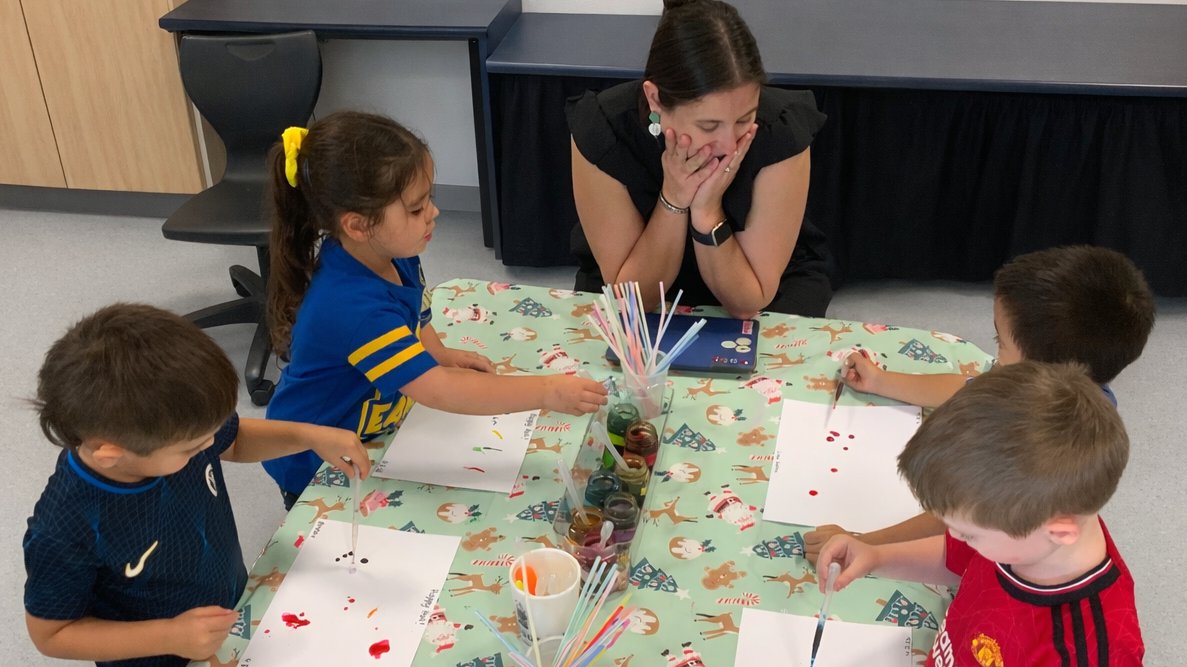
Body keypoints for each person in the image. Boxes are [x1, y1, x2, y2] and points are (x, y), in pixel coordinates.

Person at [265, 111, 607, 508]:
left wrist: (437, 353)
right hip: (317, 460)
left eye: (429, 198)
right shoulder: (353, 309)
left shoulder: (395, 251)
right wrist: (547, 391)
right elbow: (439, 390)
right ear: (358, 225)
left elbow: (417, 316)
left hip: (370, 432)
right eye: (415, 209)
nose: (433, 213)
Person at [23, 304, 370, 667]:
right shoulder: (64, 528)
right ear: (111, 453)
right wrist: (170, 635)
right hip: (159, 656)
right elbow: (52, 634)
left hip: (230, 610)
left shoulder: (170, 430)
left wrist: (308, 436)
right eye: (193, 447)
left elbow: (234, 441)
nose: (209, 446)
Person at [804, 245, 1155, 560]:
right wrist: (882, 381)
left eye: (999, 342)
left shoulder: (1038, 448)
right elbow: (971, 387)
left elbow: (960, 516)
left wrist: (868, 542)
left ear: (1041, 371)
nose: (993, 353)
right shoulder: (1059, 387)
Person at [816, 362, 1144, 667]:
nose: (956, 536)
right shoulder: (1031, 532)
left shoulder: (1092, 649)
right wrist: (875, 557)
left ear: (1059, 530)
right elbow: (957, 556)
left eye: (970, 534)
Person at [566, 0, 832, 319]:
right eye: (709, 126)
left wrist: (707, 211)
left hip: (763, 286)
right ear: (656, 99)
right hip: (634, 277)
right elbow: (634, 300)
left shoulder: (780, 130)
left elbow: (748, 302)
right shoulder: (604, 129)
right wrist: (675, 198)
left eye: (744, 119)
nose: (729, 144)